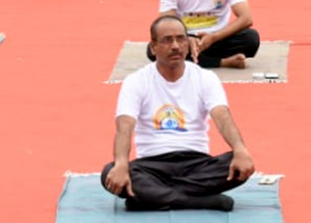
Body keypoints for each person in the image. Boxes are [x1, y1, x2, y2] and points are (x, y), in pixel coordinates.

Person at [101, 14, 255, 212]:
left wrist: (240, 150)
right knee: (109, 172)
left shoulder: (205, 78)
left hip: (197, 164)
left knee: (239, 164)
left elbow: (222, 117)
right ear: (153, 47)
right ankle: (197, 202)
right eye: (167, 40)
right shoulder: (136, 81)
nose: (175, 46)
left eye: (181, 39)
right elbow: (124, 127)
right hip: (152, 165)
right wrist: (122, 163)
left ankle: (152, 198)